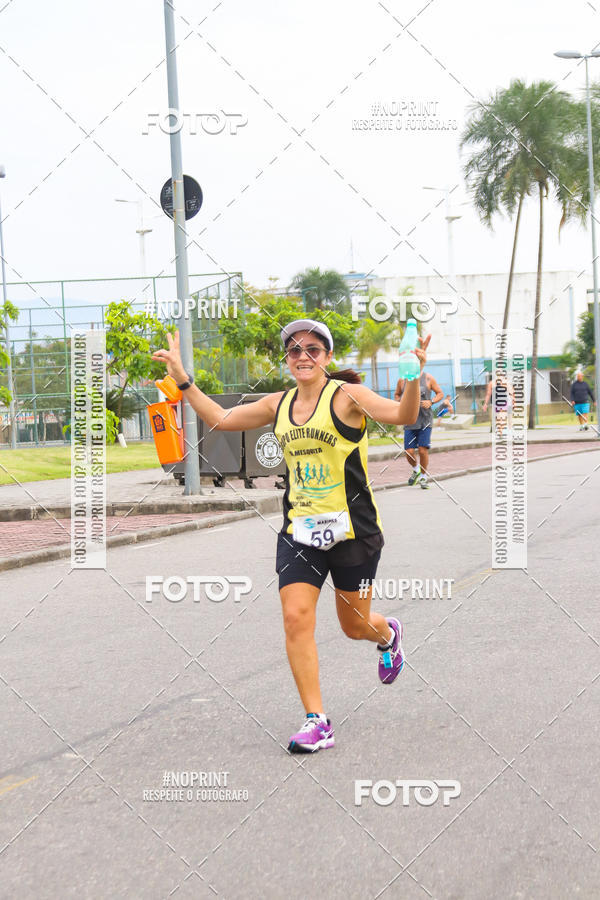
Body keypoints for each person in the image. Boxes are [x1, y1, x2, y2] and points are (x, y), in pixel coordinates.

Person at [152, 319, 429, 753]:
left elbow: (404, 416)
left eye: (312, 349)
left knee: (355, 626)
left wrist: (412, 377)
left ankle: (388, 635)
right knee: (296, 617)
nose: (303, 356)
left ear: (327, 357)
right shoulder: (277, 404)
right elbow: (220, 418)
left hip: (354, 531)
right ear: (287, 359)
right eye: (295, 349)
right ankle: (317, 721)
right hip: (299, 531)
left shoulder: (347, 397)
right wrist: (183, 380)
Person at [394, 370, 443, 489]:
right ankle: (416, 470)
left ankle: (423, 477)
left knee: (422, 450)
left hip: (425, 421)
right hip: (409, 420)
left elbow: (440, 393)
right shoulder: (402, 380)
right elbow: (397, 395)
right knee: (409, 451)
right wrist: (401, 402)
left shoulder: (428, 378)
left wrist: (431, 401)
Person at [483, 372, 514, 438]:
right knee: (498, 418)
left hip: (504, 403)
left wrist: (513, 401)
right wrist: (485, 404)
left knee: (503, 417)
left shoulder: (506, 382)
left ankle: (503, 432)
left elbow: (511, 393)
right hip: (495, 403)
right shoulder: (491, 383)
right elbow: (488, 394)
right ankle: (500, 432)